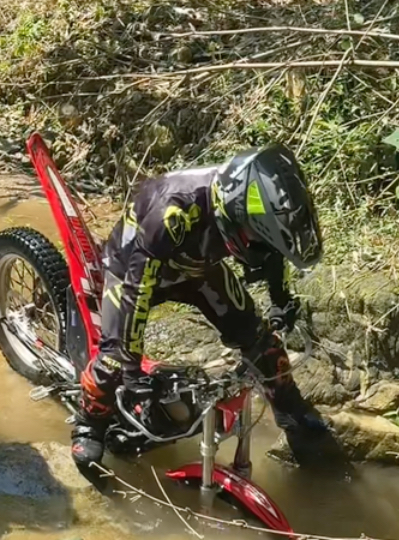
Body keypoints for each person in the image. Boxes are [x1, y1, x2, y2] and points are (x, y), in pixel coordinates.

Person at [72, 141, 328, 468]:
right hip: (132, 270)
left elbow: (273, 249)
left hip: (195, 268)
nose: (256, 247)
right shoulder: (173, 214)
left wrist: (279, 299)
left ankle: (291, 409)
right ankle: (88, 424)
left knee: (261, 342)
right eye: (253, 239)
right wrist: (132, 370)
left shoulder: (248, 200)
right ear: (231, 217)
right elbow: (138, 291)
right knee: (113, 361)